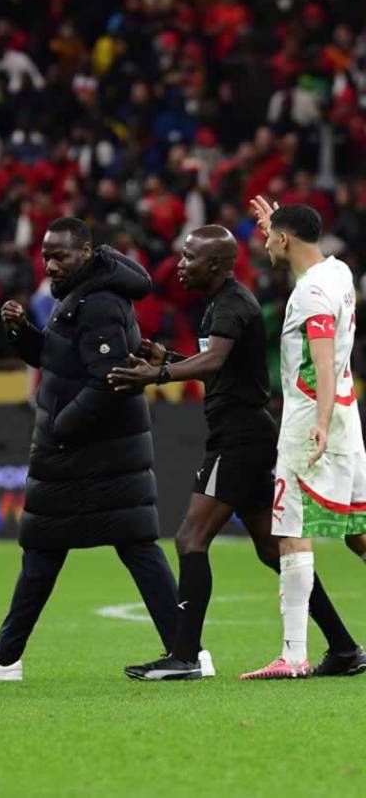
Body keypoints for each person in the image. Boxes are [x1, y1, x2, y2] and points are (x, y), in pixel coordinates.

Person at [111, 226, 364, 680]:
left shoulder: (229, 305)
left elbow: (211, 364)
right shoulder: (224, 304)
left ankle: (184, 657)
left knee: (191, 538)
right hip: (247, 434)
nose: (181, 265)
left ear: (214, 265)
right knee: (274, 550)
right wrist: (169, 356)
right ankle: (344, 648)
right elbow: (218, 365)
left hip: (239, 439)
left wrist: (157, 374)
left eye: (189, 258)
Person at [0, 217, 188, 682]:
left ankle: (4, 660)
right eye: (47, 256)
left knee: (59, 547)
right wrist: (21, 333)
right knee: (97, 546)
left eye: (61, 256)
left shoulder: (97, 303)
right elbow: (61, 360)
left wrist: (61, 427)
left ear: (88, 253)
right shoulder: (83, 295)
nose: (52, 265)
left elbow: (109, 376)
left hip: (88, 450)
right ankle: (186, 650)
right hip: (100, 450)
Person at [240, 201, 366, 680]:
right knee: (357, 530)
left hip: (313, 419)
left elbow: (323, 357)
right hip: (347, 420)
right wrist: (278, 220)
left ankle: (292, 655)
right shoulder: (338, 272)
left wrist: (319, 419)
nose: (264, 241)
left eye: (270, 235)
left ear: (285, 240)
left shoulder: (311, 294)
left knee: (291, 531)